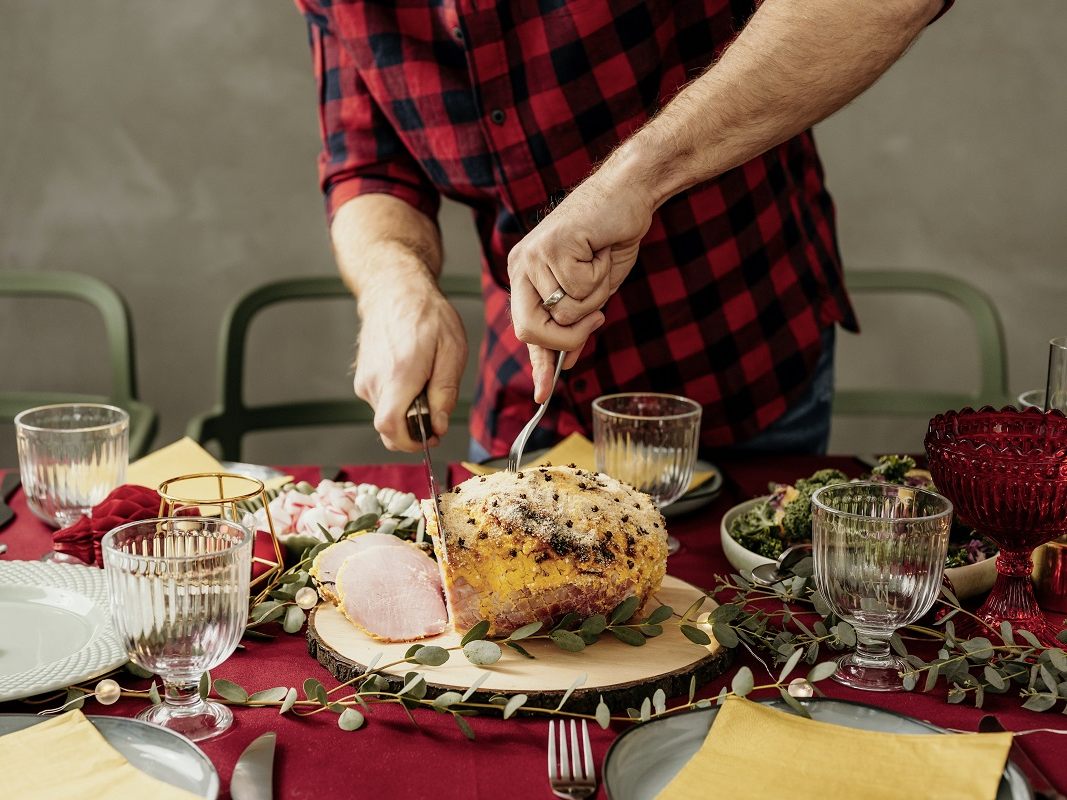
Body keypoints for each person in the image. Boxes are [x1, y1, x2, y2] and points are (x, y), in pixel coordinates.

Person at [293, 0, 951, 459]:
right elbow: (367, 162)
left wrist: (635, 178)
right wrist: (390, 282)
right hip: (531, 393)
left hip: (738, 351)